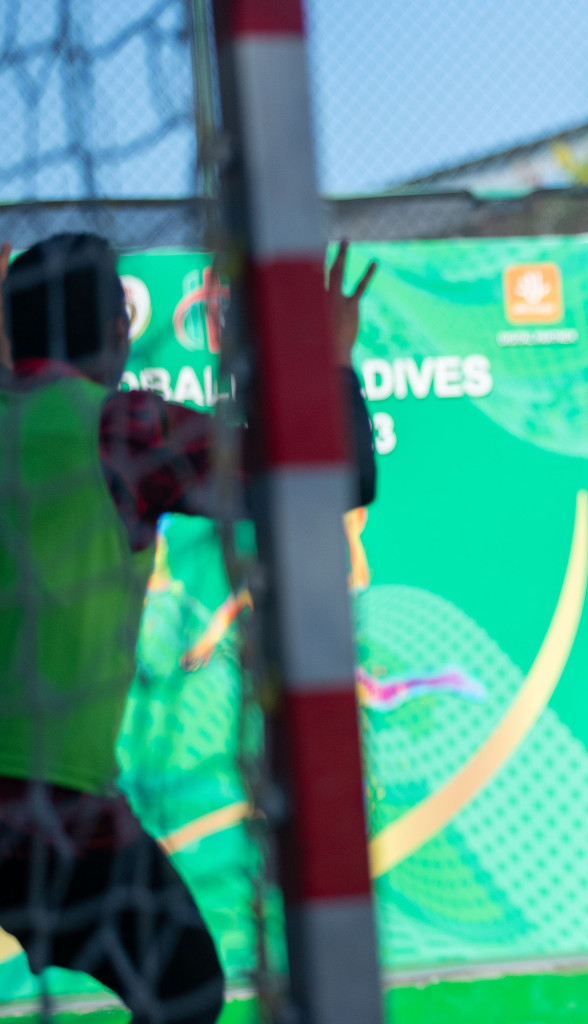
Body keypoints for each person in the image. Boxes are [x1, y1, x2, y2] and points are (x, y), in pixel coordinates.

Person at [0, 233, 377, 1023]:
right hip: (42, 808)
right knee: (185, 990)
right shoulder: (118, 428)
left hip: (48, 806)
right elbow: (334, 477)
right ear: (117, 334)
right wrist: (329, 355)